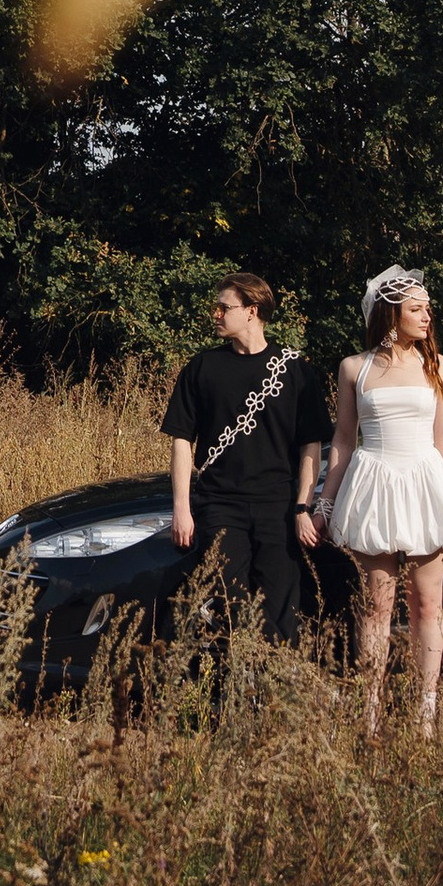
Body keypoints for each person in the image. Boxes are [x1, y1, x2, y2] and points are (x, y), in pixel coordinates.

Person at [311, 264, 443, 737]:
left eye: (428, 309)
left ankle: (425, 716)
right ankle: (370, 712)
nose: (428, 317)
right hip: (374, 484)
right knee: (376, 607)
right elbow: (344, 439)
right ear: (391, 314)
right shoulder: (353, 368)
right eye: (417, 309)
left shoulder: (436, 366)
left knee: (428, 605)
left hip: (426, 484)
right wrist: (325, 502)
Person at [162, 274, 330, 651]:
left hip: (277, 507)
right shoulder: (202, 368)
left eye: (225, 307)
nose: (216, 314)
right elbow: (181, 441)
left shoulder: (295, 370)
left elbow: (311, 447)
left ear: (252, 311)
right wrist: (181, 508)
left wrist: (303, 506)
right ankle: (232, 694)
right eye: (216, 306)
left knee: (279, 605)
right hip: (220, 505)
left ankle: (272, 693)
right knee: (226, 601)